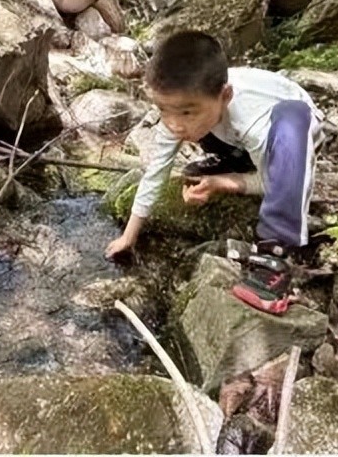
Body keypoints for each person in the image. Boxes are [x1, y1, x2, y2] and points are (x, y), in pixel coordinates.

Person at [104, 30, 325, 315]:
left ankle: (274, 265)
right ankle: (238, 162)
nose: (174, 124)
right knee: (194, 154)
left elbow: (273, 183)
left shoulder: (255, 123)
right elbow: (155, 173)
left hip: (295, 130)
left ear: (226, 96)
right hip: (234, 135)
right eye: (163, 110)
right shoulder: (184, 107)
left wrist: (226, 183)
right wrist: (129, 235)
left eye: (185, 113)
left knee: (290, 125)